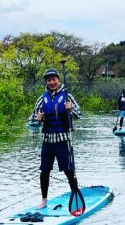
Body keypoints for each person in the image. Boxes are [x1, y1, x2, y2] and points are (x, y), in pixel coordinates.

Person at [29, 68, 81, 209]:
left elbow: (78, 114)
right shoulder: (42, 98)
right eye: (49, 80)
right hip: (47, 141)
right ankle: (44, 200)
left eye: (54, 79)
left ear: (58, 80)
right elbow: (32, 120)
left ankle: (75, 195)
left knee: (68, 170)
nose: (52, 82)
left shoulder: (67, 96)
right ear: (46, 82)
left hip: (63, 140)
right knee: (44, 171)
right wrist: (37, 119)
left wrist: (71, 109)